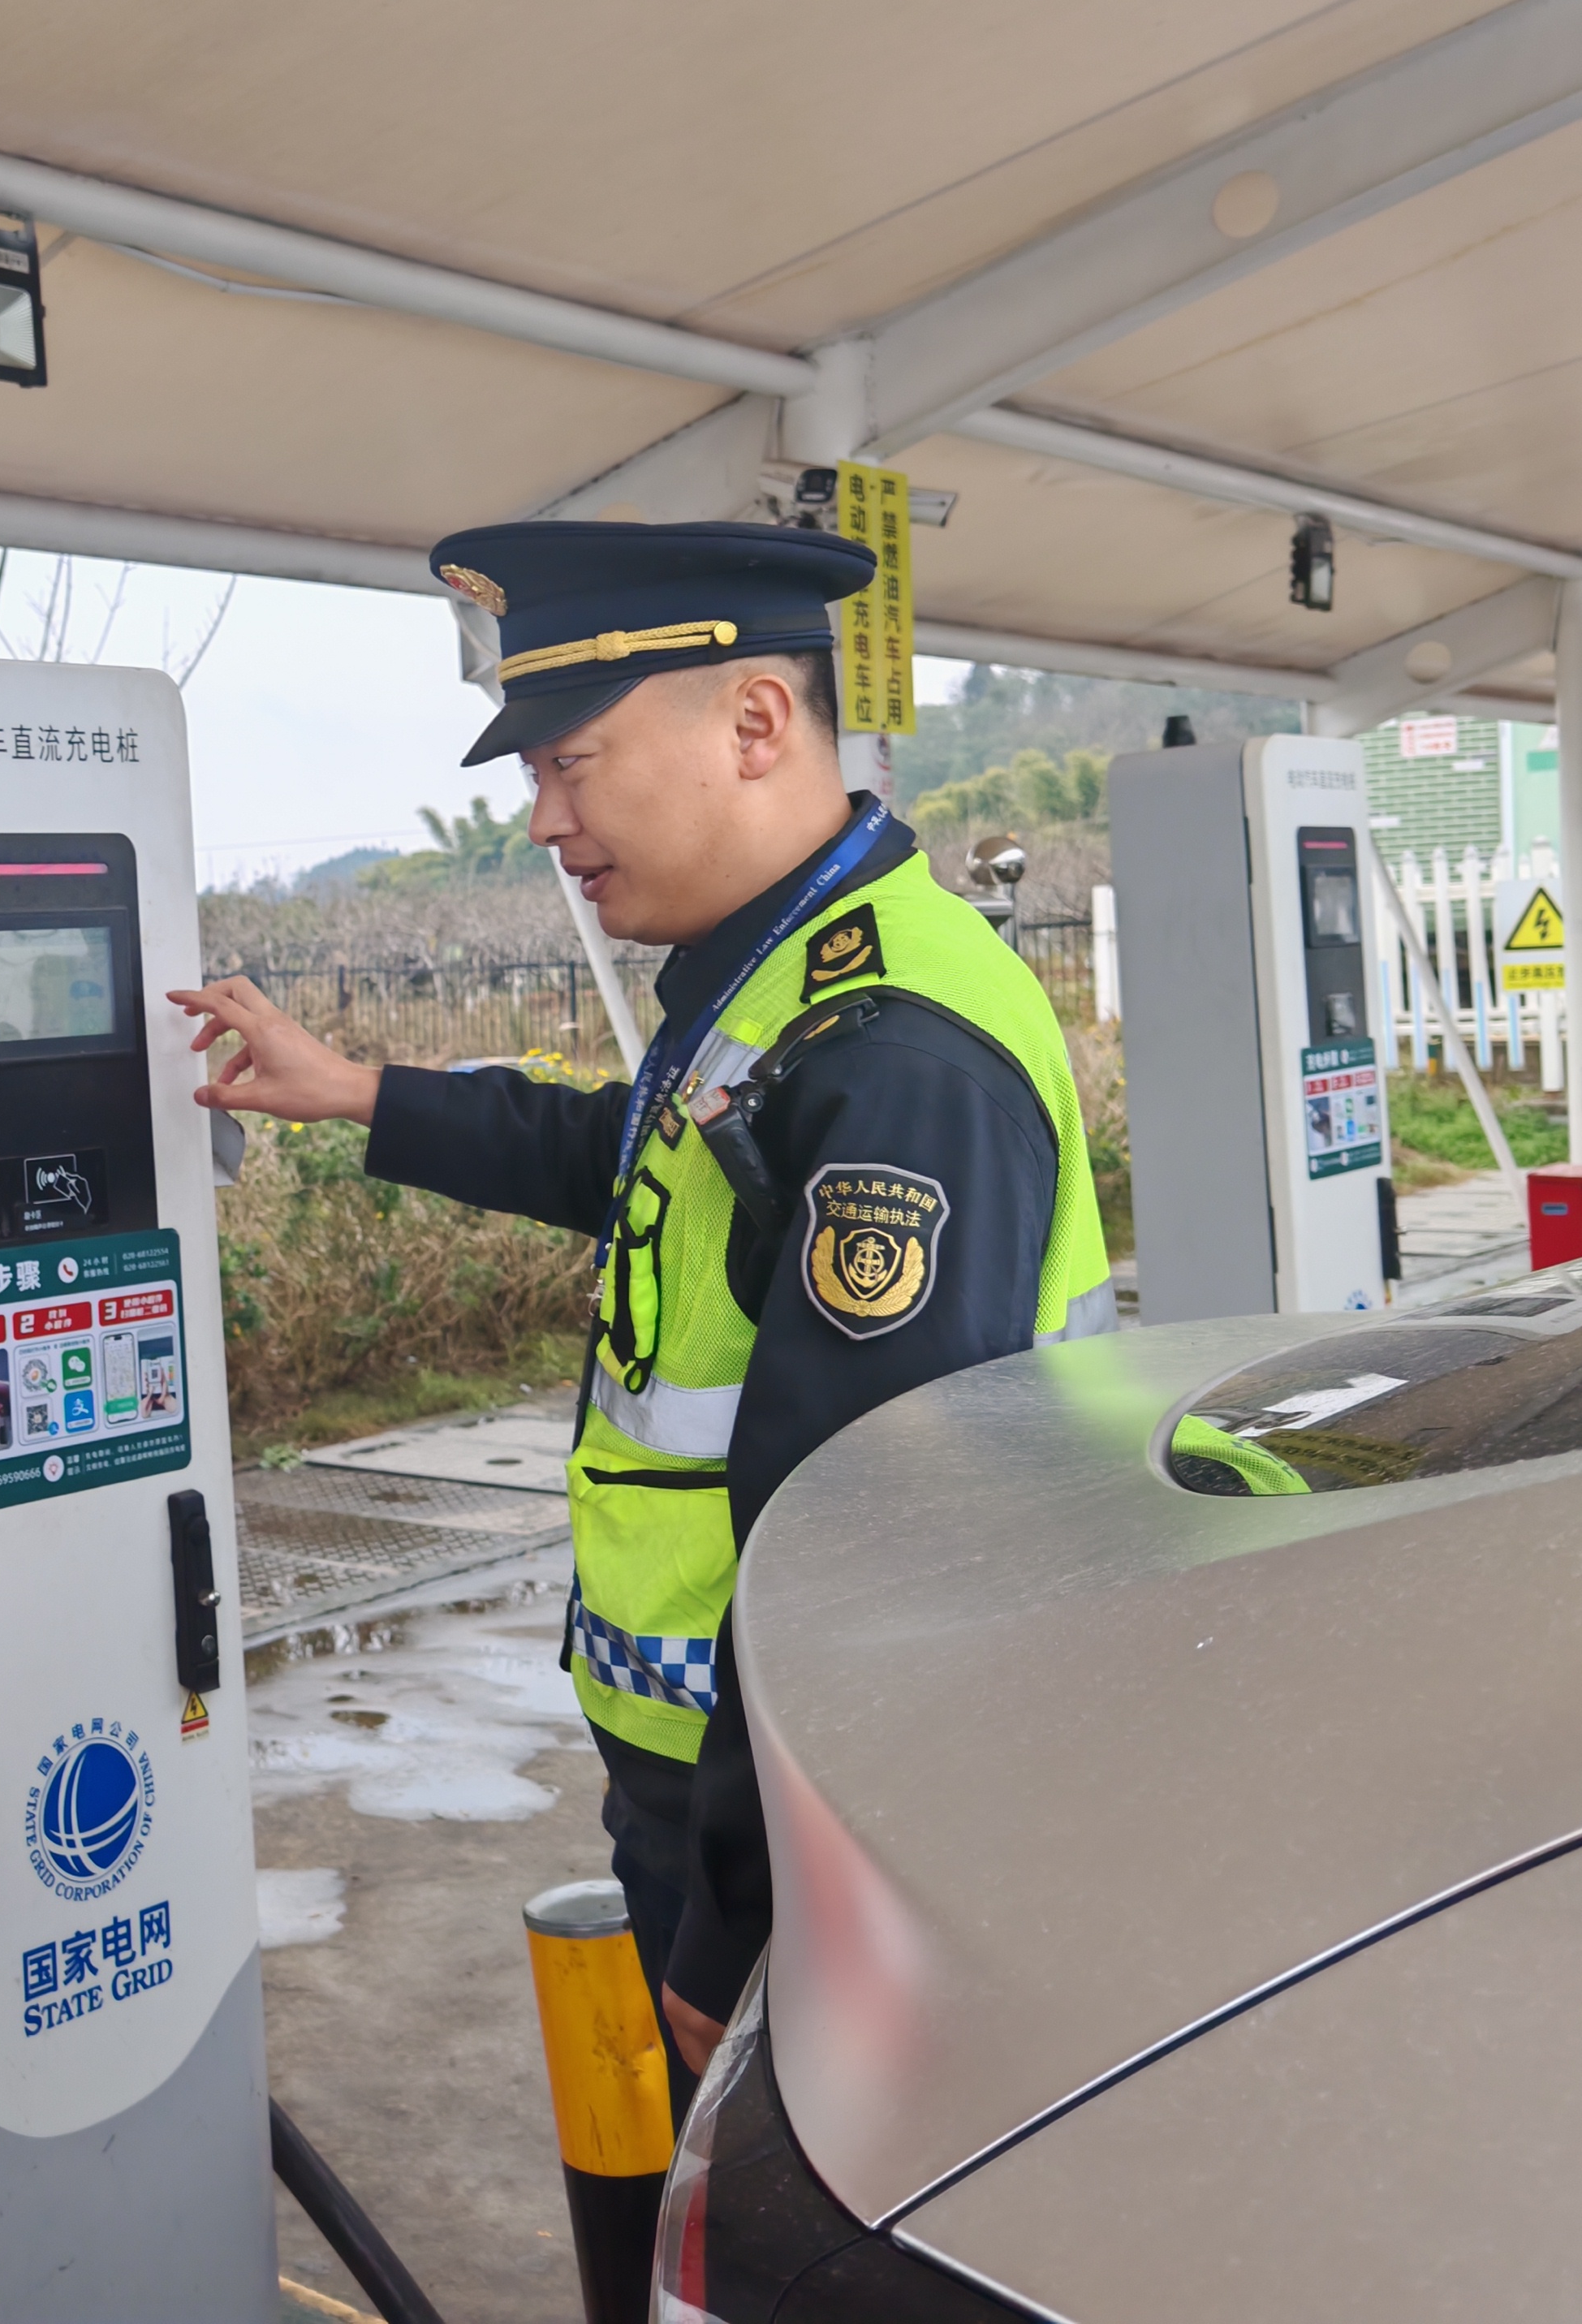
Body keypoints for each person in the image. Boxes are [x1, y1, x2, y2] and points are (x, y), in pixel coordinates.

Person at [171, 520, 1108, 2100]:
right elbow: (635, 1158)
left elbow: (867, 1533)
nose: (544, 819)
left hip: (803, 1824)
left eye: (571, 764)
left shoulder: (890, 1047)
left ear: (754, 723)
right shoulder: (781, 976)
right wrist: (363, 1091)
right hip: (706, 1772)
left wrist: (743, 1918)